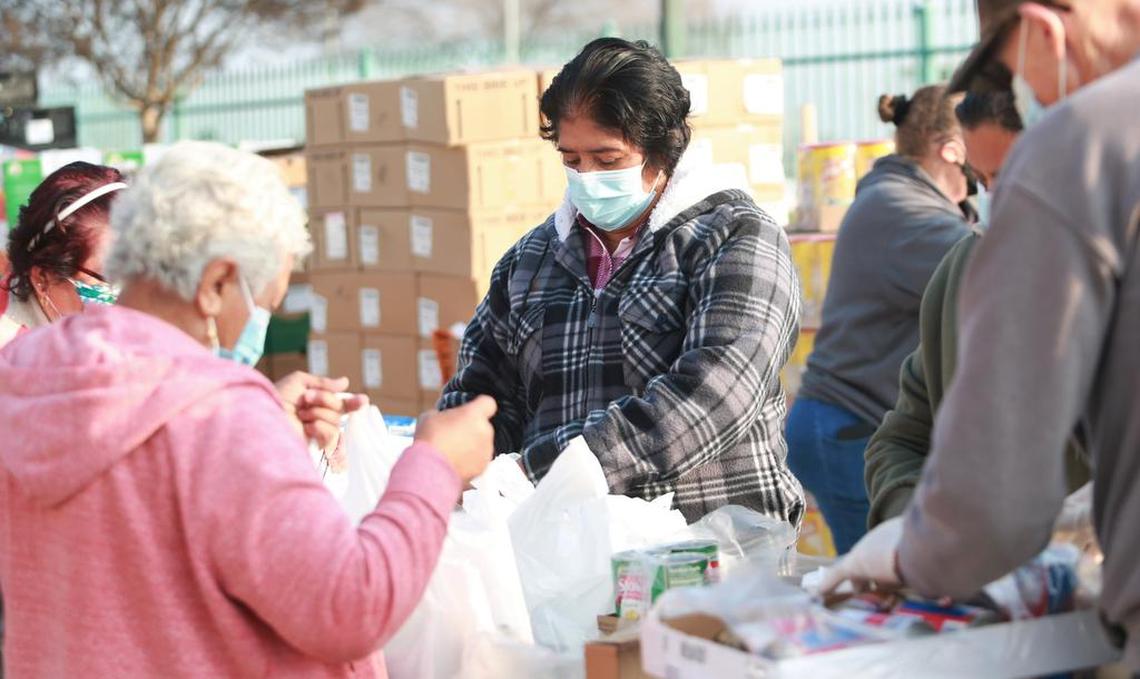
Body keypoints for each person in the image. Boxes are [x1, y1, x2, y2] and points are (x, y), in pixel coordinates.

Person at [0, 141, 498, 677]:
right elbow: (349, 604)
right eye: (260, 303)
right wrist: (434, 467)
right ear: (215, 284)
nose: (257, 323)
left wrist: (266, 427)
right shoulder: (219, 415)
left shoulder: (24, 374)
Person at [821, 0, 1140, 669]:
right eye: (986, 182)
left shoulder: (1085, 145)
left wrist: (917, 549)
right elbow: (906, 432)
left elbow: (993, 508)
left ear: (1042, 30)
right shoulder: (958, 277)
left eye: (1006, 66)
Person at [439, 37, 805, 524]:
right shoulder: (529, 259)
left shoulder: (734, 237)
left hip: (710, 542)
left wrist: (542, 472)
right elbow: (482, 391)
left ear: (663, 152)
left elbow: (715, 395)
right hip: (559, 543)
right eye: (572, 160)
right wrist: (454, 465)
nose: (587, 175)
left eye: (607, 160)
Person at [0, 160, 356, 455]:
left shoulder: (122, 336)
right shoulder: (14, 357)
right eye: (111, 275)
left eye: (137, 269)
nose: (129, 292)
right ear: (43, 279)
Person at [785, 85, 975, 553]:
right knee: (888, 572)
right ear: (951, 149)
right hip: (851, 427)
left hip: (850, 422)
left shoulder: (901, 199)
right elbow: (996, 272)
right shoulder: (901, 210)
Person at [862, 88, 1042, 527]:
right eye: (983, 181)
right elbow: (899, 442)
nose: (996, 197)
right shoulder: (962, 273)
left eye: (1011, 175)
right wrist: (922, 523)